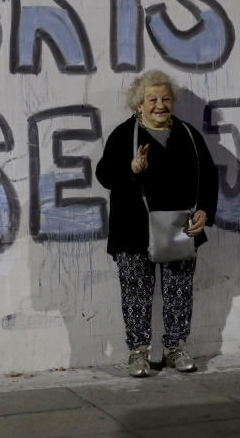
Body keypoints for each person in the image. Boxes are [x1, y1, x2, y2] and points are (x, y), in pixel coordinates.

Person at [95, 70, 218, 377]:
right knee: (136, 295)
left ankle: (176, 349)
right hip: (133, 231)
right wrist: (132, 167)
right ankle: (139, 353)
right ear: (139, 103)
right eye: (152, 99)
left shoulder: (188, 135)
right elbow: (105, 176)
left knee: (179, 292)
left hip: (179, 227)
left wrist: (204, 211)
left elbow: (209, 177)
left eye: (165, 98)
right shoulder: (124, 136)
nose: (159, 105)